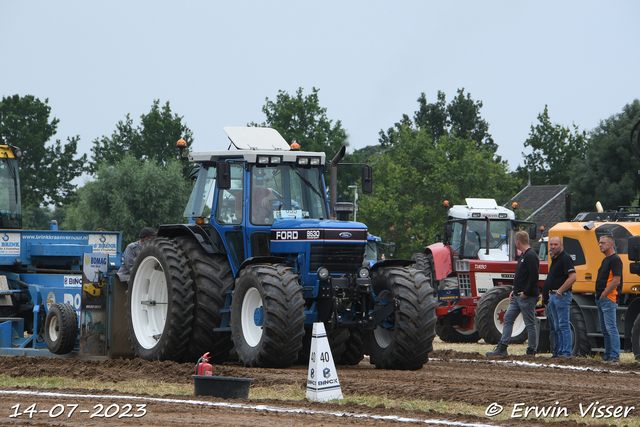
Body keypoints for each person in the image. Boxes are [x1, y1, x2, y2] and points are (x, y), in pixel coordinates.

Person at [487, 230, 540, 357]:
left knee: (529, 323)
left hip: (526, 297)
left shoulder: (531, 256)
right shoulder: (523, 256)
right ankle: (502, 347)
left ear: (518, 242)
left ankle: (531, 350)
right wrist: (514, 290)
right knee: (508, 318)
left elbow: (534, 276)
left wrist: (526, 292)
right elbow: (522, 276)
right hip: (517, 296)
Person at [542, 236, 576, 358]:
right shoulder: (555, 259)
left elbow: (573, 277)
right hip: (553, 297)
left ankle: (565, 353)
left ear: (561, 246)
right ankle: (557, 353)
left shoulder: (565, 258)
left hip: (561, 296)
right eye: (551, 244)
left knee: (563, 325)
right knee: (556, 327)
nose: (553, 246)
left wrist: (561, 290)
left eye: (556, 244)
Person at [595, 235, 622, 362]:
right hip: (602, 298)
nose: (600, 245)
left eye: (603, 243)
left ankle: (614, 355)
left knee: (611, 328)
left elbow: (616, 280)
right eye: (599, 243)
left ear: (611, 244)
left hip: (609, 298)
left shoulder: (615, 259)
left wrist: (604, 294)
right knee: (605, 329)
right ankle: (608, 355)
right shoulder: (605, 260)